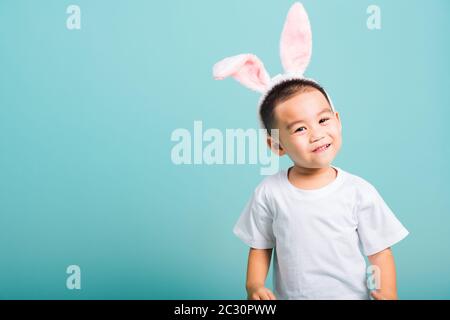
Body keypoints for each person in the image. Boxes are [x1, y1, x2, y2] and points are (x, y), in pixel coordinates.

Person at [212, 3, 409, 300]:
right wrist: (254, 286)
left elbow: (380, 252)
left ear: (338, 121)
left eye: (323, 120)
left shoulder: (358, 192)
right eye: (300, 129)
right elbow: (260, 246)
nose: (317, 133)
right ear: (276, 144)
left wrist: (388, 293)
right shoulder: (269, 192)